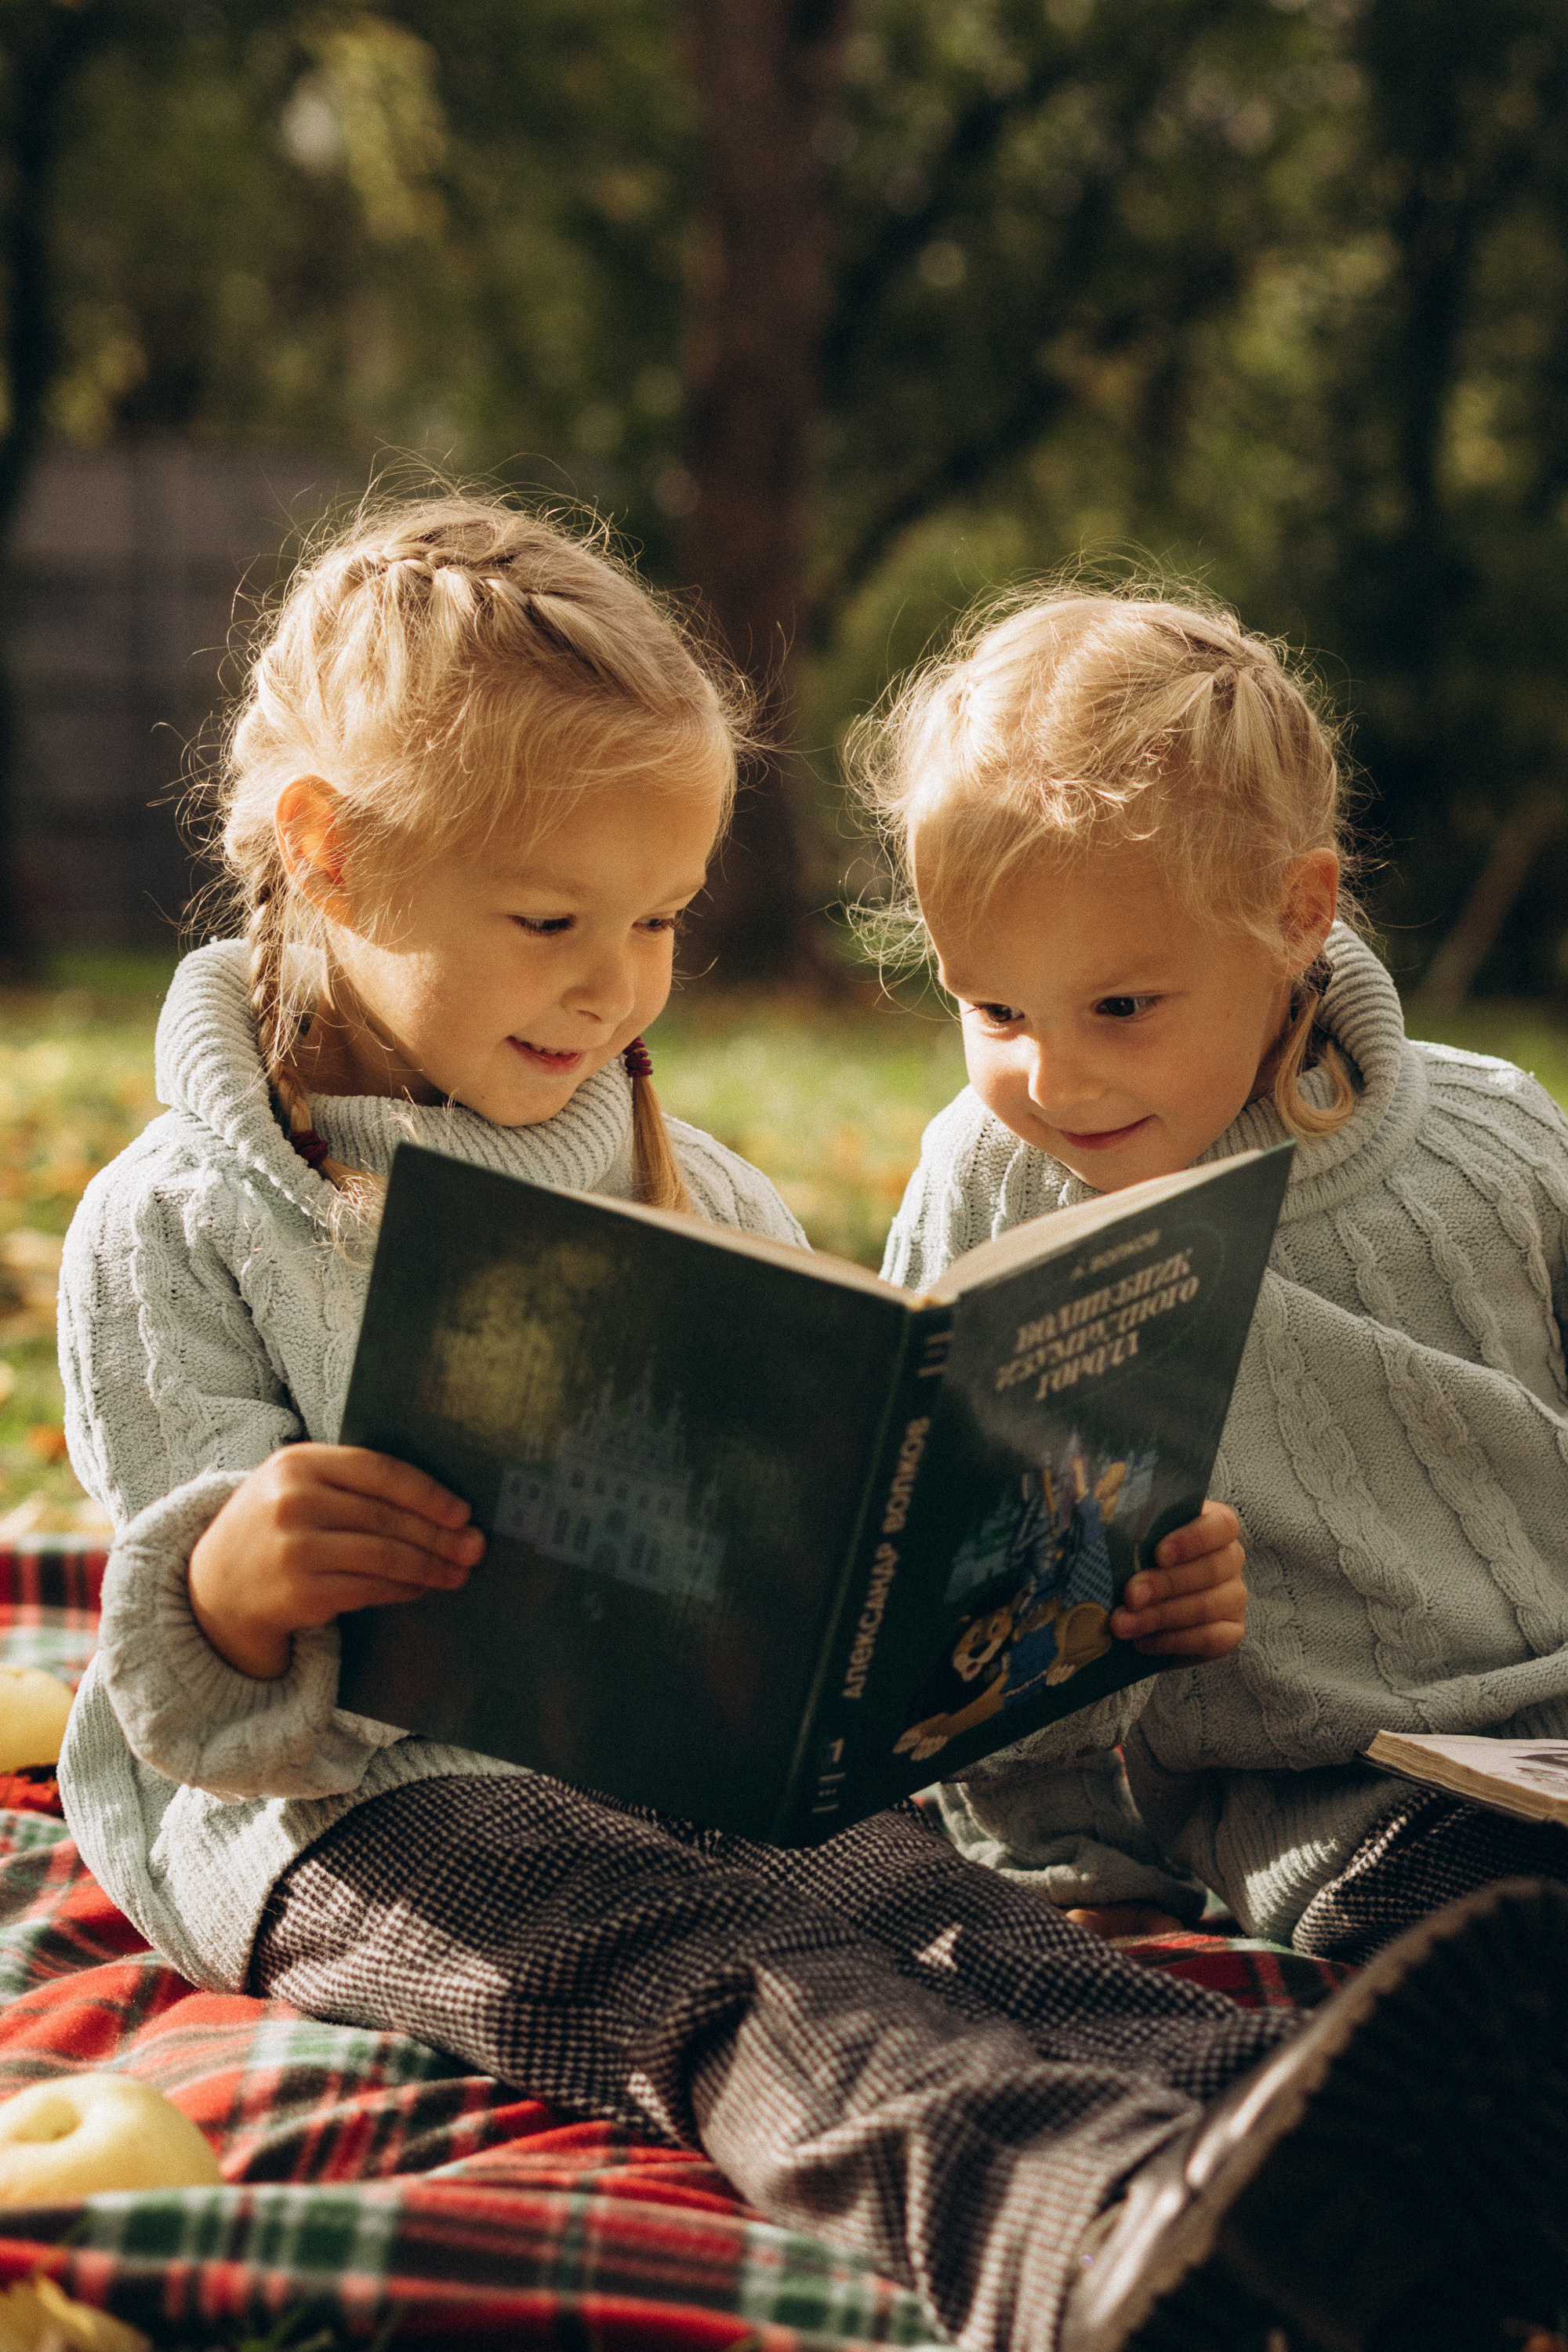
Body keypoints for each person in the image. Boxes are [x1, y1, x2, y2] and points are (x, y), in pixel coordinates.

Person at [53, 500, 1568, 2352]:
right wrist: (231, 1583)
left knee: (954, 1924)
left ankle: (1352, 2185)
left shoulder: (701, 1194)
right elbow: (178, 1708)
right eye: (551, 921)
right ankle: (1073, 2244)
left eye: (658, 920)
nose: (615, 983)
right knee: (737, 1983)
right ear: (336, 857)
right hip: (357, 1814)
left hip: (689, 1766)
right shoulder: (181, 1222)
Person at [860, 582, 1568, 1967]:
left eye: (1122, 1007)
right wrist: (1068, 1873)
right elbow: (966, 1590)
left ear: (1297, 914)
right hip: (1346, 1803)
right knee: (1509, 1948)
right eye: (994, 1010)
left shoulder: (1498, 1140)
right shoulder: (992, 1191)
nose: (1052, 1079)